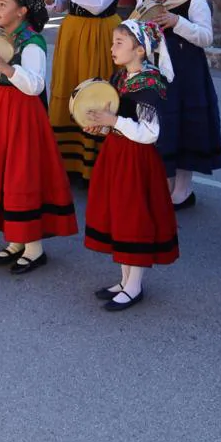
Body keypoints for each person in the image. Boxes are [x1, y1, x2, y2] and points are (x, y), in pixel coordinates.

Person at [0, 0, 77, 274]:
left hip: (20, 115)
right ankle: (15, 239)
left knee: (20, 175)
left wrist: (4, 66)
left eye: (2, 4)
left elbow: (35, 85)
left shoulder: (31, 41)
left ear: (22, 11)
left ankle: (34, 247)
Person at [82, 20, 180, 311]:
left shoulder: (149, 83)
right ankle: (124, 280)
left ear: (140, 50)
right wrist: (101, 127)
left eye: (119, 43)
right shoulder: (122, 77)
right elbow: (118, 119)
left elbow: (150, 133)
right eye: (113, 42)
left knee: (133, 216)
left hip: (137, 159)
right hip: (117, 153)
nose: (112, 48)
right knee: (119, 215)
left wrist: (112, 122)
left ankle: (134, 285)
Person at [134, 0, 221, 208]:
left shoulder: (194, 1)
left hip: (186, 75)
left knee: (185, 127)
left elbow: (206, 37)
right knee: (160, 127)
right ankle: (162, 185)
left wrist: (177, 22)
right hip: (156, 72)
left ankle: (182, 191)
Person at [46, 0, 126, 182]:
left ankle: (93, 162)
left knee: (92, 87)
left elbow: (97, 3)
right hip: (73, 31)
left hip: (98, 32)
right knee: (68, 86)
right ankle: (68, 160)